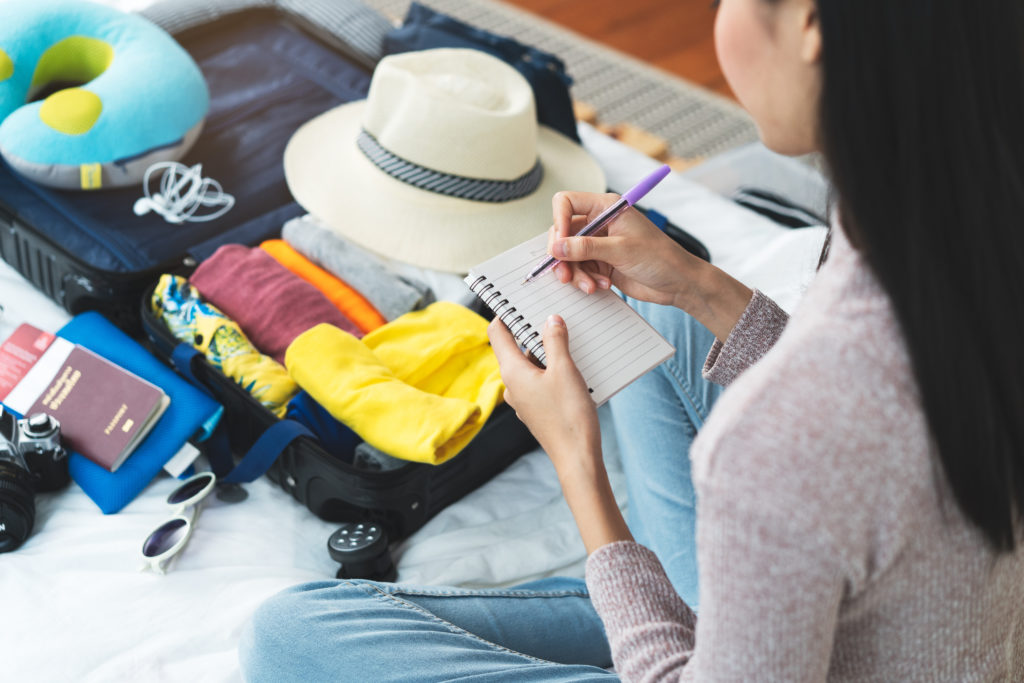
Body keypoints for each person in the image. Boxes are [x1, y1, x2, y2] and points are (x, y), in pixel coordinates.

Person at [240, 0, 1024, 679]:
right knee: (669, 320)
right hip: (887, 629)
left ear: (812, 24)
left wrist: (576, 461)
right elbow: (868, 431)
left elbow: (821, 435)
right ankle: (677, 606)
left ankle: (655, 611)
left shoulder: (772, 440)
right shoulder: (953, 219)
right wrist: (693, 282)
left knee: (292, 636)